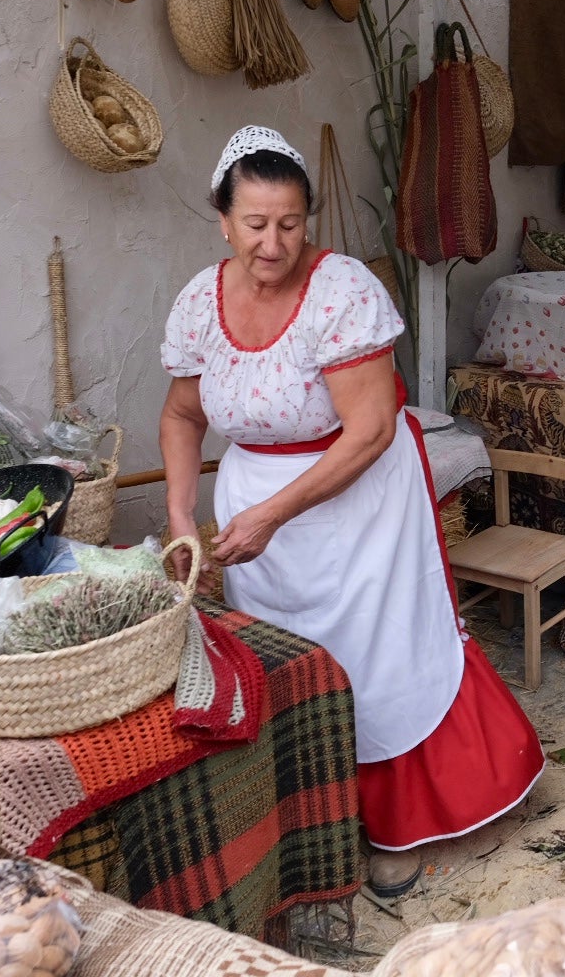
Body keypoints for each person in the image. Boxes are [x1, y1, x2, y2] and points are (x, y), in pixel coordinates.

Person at [159, 127, 544, 898]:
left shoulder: (342, 293)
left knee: (375, 656)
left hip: (358, 501)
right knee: (287, 662)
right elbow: (180, 414)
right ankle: (312, 823)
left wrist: (274, 513)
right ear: (224, 222)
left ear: (310, 221)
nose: (274, 243)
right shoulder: (201, 302)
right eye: (257, 224)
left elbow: (368, 430)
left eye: (291, 223)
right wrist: (178, 516)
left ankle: (397, 825)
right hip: (258, 516)